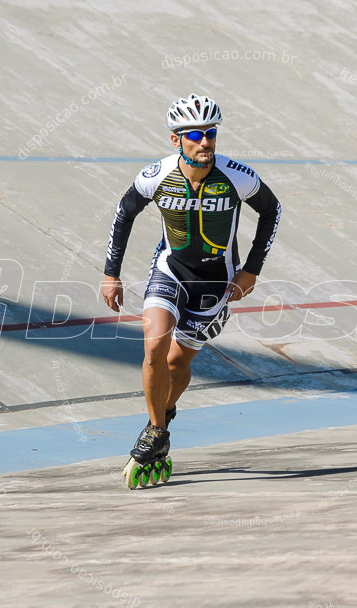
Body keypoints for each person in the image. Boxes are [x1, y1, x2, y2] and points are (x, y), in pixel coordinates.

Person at [101, 93, 281, 485]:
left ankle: (164, 416)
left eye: (210, 134)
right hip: (171, 270)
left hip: (217, 281)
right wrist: (110, 274)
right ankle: (156, 431)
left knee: (177, 365)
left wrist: (251, 270)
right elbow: (123, 215)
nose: (205, 142)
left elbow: (272, 211)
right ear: (175, 140)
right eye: (195, 135)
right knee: (154, 346)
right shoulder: (155, 176)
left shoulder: (237, 176)